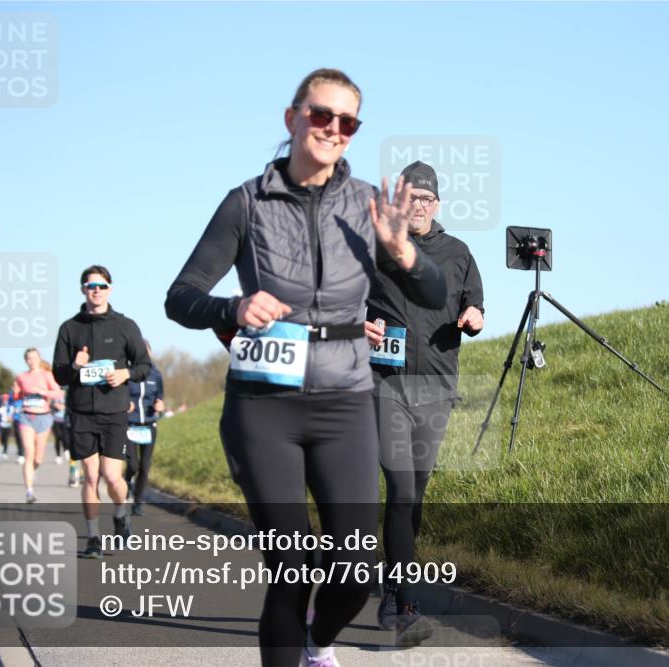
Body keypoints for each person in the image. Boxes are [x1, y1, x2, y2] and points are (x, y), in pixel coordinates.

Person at [165, 68, 446, 667]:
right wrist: (233, 308)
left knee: (357, 564)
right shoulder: (246, 203)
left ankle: (318, 643)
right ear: (292, 118)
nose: (333, 128)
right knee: (292, 562)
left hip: (345, 399)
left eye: (348, 122)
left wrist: (403, 252)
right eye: (322, 114)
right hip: (264, 404)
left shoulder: (366, 206)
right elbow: (180, 297)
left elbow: (434, 293)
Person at [364, 161, 485, 641]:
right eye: (411, 197)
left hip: (436, 387)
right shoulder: (377, 248)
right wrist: (356, 324)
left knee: (414, 495)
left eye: (427, 199)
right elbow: (339, 297)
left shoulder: (458, 253)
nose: (419, 206)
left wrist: (474, 316)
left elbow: (475, 304)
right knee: (401, 488)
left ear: (437, 204)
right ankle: (407, 605)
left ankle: (393, 589)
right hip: (386, 385)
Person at [53, 265, 151, 559]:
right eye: (91, 286)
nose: (96, 291)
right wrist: (74, 365)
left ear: (110, 289)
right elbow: (59, 375)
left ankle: (120, 514)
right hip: (82, 411)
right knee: (90, 476)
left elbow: (144, 366)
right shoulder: (69, 328)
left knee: (112, 477)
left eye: (101, 286)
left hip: (114, 411)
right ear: (83, 290)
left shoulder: (125, 326)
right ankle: (93, 537)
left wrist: (125, 374)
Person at [12, 348, 64, 502]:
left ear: (39, 359)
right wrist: (16, 392)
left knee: (38, 459)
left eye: (34, 358)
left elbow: (58, 393)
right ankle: (29, 491)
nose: (32, 361)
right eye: (29, 358)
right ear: (25, 360)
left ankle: (32, 471)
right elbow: (17, 397)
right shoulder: (21, 377)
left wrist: (43, 392)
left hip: (44, 417)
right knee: (29, 452)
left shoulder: (46, 375)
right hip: (26, 416)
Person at [124, 340, 164, 516]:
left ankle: (138, 502)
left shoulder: (156, 375)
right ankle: (126, 482)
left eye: (146, 352)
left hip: (149, 425)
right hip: (130, 424)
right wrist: (125, 404)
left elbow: (160, 397)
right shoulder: (126, 373)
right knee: (132, 465)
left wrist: (160, 405)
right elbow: (118, 397)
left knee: (144, 466)